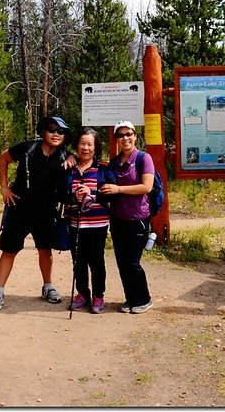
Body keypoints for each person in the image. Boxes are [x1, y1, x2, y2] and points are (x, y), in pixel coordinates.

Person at [0, 116, 72, 311]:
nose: (56, 134)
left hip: (46, 211)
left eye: (61, 132)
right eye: (52, 130)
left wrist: (73, 157)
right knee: (9, 250)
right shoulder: (27, 148)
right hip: (19, 208)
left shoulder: (65, 156)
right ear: (43, 132)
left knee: (45, 249)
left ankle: (48, 287)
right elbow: (3, 158)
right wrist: (3, 187)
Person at [98, 120, 154, 314]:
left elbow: (146, 187)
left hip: (137, 217)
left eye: (128, 134)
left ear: (135, 136)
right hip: (118, 218)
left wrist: (118, 188)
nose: (125, 138)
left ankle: (144, 298)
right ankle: (131, 298)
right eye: (120, 135)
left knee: (132, 261)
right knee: (122, 261)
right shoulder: (115, 162)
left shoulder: (143, 158)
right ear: (116, 140)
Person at [62, 127, 112, 314]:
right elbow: (61, 194)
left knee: (96, 261)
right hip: (75, 223)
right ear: (76, 145)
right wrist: (74, 197)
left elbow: (111, 195)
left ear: (96, 147)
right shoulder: (69, 169)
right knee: (78, 261)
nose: (85, 148)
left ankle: (98, 296)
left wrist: (93, 194)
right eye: (82, 143)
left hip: (98, 224)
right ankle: (82, 293)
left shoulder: (104, 169)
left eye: (90, 144)